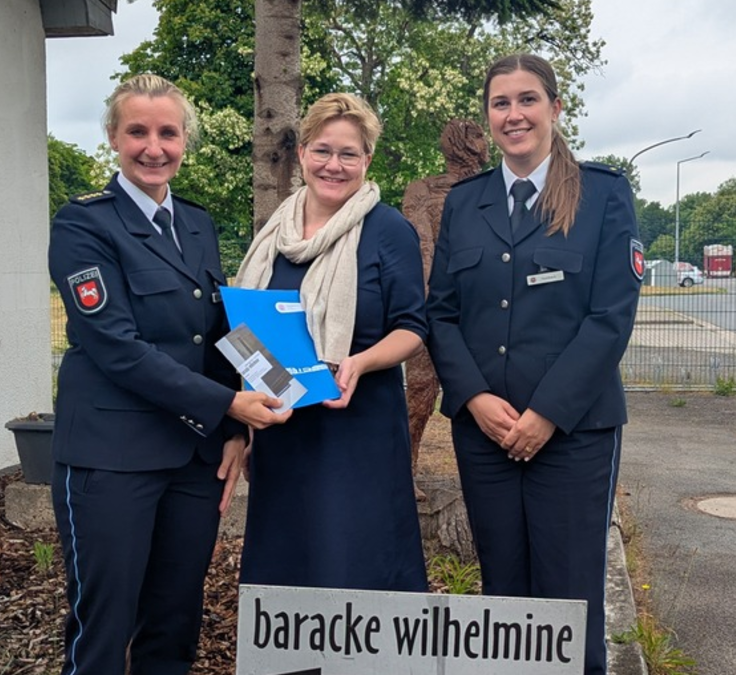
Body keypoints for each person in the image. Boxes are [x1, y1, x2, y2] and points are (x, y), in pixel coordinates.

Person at [48, 73, 289, 675]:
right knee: (104, 625)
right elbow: (116, 347)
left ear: (184, 141)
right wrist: (228, 406)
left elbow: (216, 331)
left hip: (192, 458)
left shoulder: (196, 223)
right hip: (112, 458)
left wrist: (244, 420)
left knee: (174, 620)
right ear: (113, 137)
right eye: (138, 132)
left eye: (168, 133)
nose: (153, 148)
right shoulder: (83, 225)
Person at [426, 54, 642, 675]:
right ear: (488, 115)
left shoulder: (602, 194)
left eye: (527, 100)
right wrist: (473, 399)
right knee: (504, 592)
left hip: (573, 433)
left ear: (555, 108)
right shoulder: (466, 203)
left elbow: (610, 318)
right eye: (501, 103)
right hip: (485, 432)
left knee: (569, 596)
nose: (514, 114)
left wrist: (545, 413)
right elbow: (441, 313)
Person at [234, 93, 428, 592]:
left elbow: (412, 327)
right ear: (302, 153)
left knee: (355, 561)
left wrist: (360, 362)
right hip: (283, 428)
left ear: (367, 160)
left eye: (348, 154)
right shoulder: (274, 232)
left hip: (357, 427)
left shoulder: (389, 230)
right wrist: (250, 418)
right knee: (285, 561)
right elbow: (247, 330)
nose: (333, 165)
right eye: (322, 150)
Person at [400, 119, 489, 501]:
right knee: (421, 393)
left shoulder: (497, 187)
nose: (485, 143)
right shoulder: (423, 189)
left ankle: (489, 475)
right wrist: (426, 304)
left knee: (488, 392)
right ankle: (404, 469)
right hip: (434, 305)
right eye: (477, 136)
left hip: (484, 310)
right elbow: (421, 245)